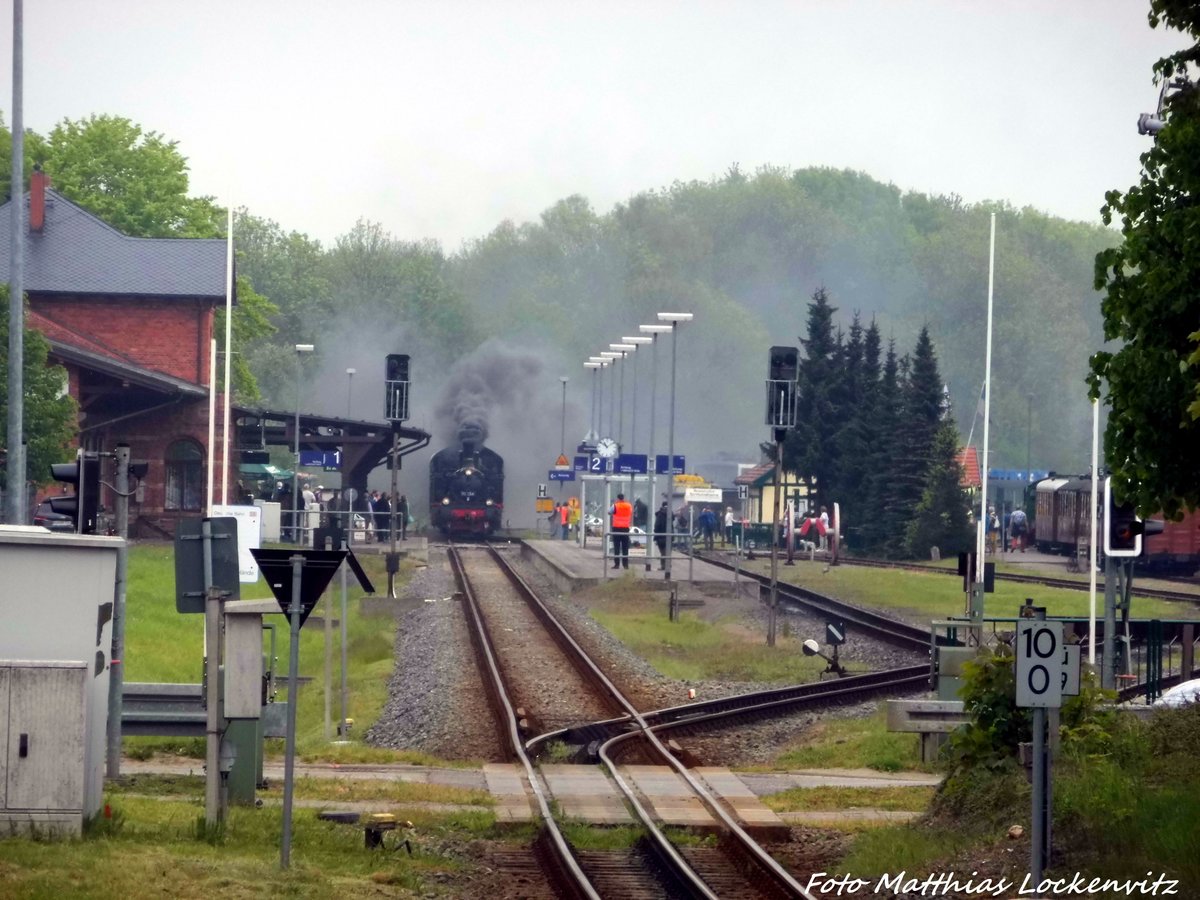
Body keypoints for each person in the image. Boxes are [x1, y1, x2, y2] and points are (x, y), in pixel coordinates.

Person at [610, 492, 633, 569]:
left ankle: (617, 564)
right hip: (625, 528)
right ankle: (625, 565)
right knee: (625, 547)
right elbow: (631, 512)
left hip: (616, 528)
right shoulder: (629, 505)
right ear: (624, 498)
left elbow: (609, 512)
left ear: (617, 498)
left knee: (616, 547)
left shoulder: (615, 505)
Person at [653, 501, 669, 569]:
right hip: (669, 535)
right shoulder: (670, 513)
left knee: (662, 552)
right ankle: (667, 564)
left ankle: (663, 566)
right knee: (667, 551)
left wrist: (655, 533)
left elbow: (657, 525)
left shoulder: (660, 514)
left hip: (660, 535)